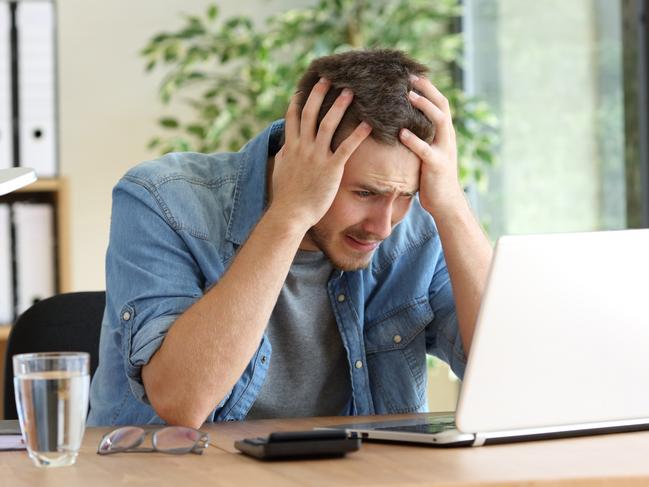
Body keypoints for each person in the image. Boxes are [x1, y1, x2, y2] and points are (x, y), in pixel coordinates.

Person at [87, 49, 492, 428]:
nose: (383, 226)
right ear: (299, 155)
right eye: (364, 193)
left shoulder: (417, 227)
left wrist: (452, 206)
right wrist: (291, 213)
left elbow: (512, 378)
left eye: (404, 195)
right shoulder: (162, 199)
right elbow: (182, 402)